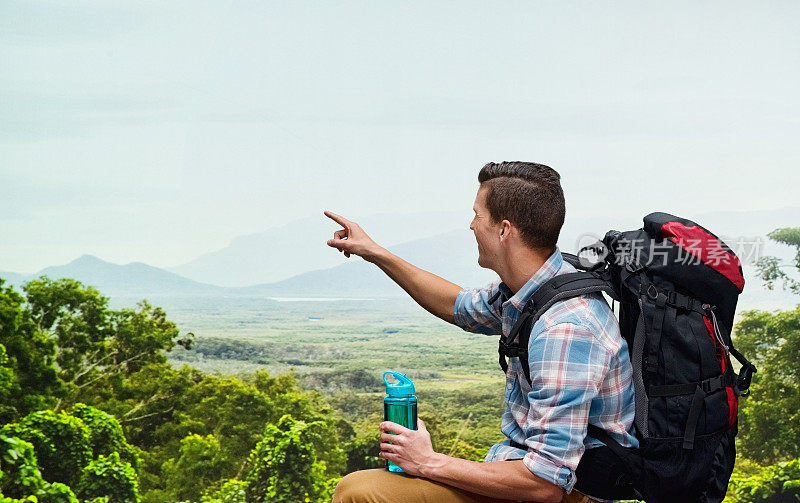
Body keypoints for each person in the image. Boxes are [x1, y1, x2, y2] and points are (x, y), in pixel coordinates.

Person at [324, 162, 637, 503]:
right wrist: (374, 252)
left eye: (477, 214)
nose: (471, 225)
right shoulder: (534, 289)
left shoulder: (564, 329)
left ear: (504, 230)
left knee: (362, 494)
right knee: (354, 489)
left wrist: (428, 462)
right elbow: (457, 306)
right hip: (525, 477)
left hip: (568, 494)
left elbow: (544, 484)